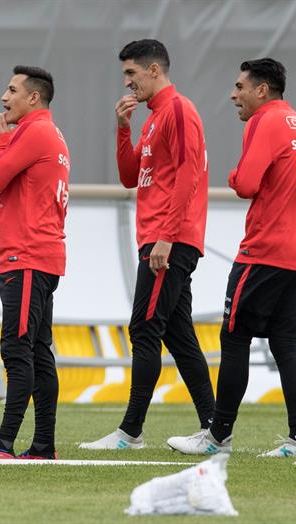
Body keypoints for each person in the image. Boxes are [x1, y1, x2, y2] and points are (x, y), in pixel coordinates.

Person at [168, 58, 296, 457]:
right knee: (286, 342)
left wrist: (235, 176)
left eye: (240, 87)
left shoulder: (265, 121)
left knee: (234, 337)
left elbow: (247, 183)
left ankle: (218, 437)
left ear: (262, 90)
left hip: (267, 250)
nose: (233, 95)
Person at [80, 39, 214, 450]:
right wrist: (123, 129)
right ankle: (216, 428)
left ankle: (130, 432)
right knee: (178, 337)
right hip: (160, 239)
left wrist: (167, 236)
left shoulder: (179, 109)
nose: (127, 82)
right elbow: (129, 176)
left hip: (167, 241)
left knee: (143, 328)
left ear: (154, 70)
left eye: (131, 73)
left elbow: (190, 176)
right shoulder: (153, 118)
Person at [0, 66, 69, 460]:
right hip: (39, 255)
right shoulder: (48, 132)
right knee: (38, 351)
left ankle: (4, 442)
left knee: (17, 348)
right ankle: (43, 445)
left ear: (34, 98)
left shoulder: (33, 132)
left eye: (11, 90)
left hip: (26, 256)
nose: (4, 97)